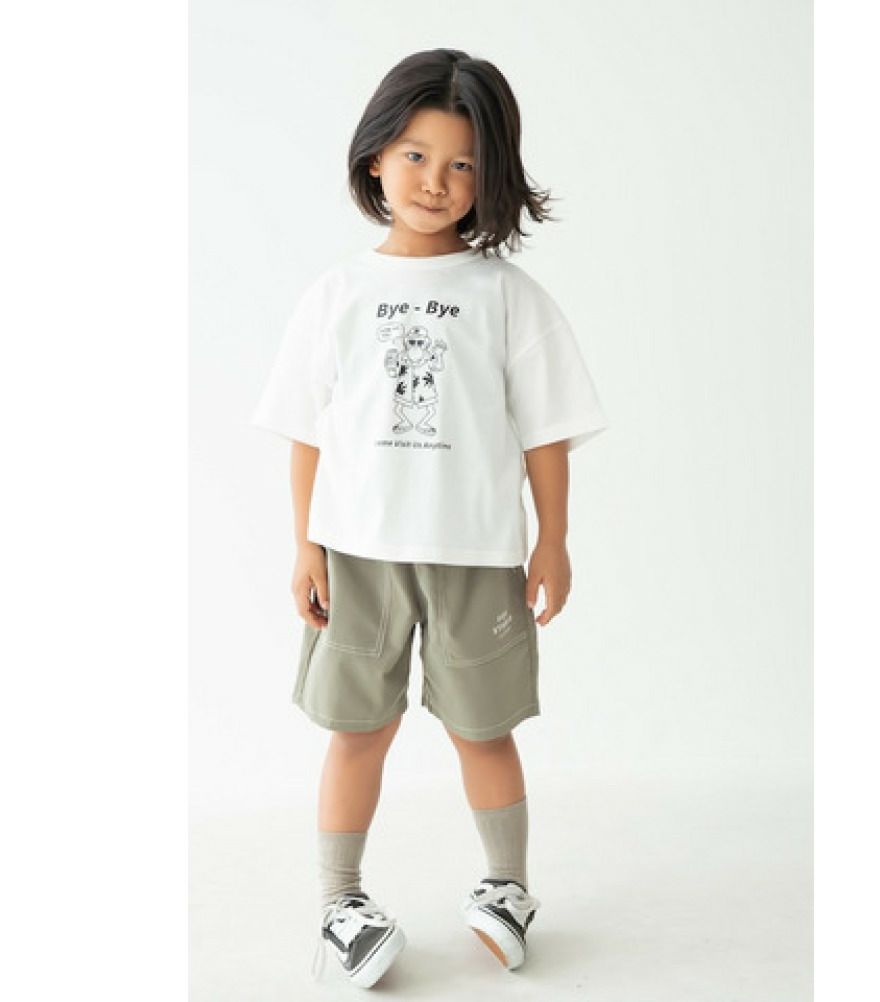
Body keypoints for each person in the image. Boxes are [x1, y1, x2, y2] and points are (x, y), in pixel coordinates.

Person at [251, 47, 608, 989]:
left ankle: (507, 886)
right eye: (415, 155)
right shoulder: (336, 295)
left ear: (491, 177)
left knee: (483, 729)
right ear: (376, 157)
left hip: (477, 554)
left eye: (461, 164)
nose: (435, 181)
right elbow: (308, 434)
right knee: (356, 729)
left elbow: (546, 434)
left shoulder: (507, 298)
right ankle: (339, 901)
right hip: (357, 553)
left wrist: (554, 539)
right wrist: (305, 547)